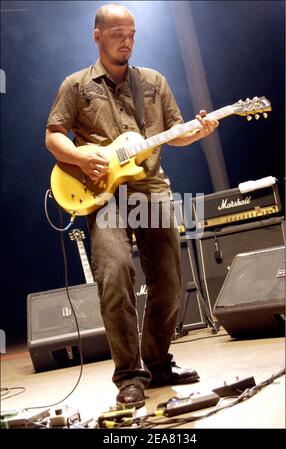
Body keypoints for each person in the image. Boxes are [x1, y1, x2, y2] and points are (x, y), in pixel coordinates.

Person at [45, 3, 219, 409]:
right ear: (98, 36)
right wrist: (80, 156)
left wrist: (200, 130)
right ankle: (129, 375)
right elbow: (54, 135)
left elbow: (174, 133)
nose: (126, 41)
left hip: (152, 189)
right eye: (117, 34)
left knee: (170, 282)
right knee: (115, 275)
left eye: (131, 34)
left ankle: (158, 363)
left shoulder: (154, 82)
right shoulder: (76, 84)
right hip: (104, 194)